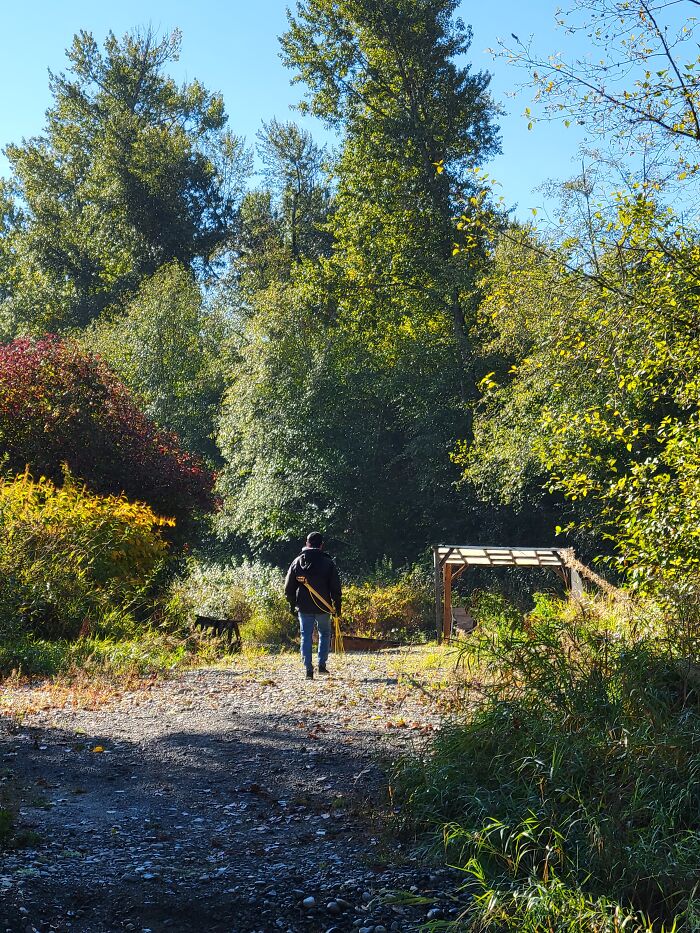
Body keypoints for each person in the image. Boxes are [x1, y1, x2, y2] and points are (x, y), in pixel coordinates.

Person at [284, 532, 342, 679]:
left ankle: (308, 669)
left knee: (306, 636)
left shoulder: (297, 562)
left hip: (304, 607)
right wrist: (338, 606)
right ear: (321, 545)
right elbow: (336, 588)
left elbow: (289, 588)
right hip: (324, 607)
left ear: (307, 543)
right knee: (324, 634)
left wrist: (292, 605)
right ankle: (322, 665)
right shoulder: (328, 563)